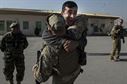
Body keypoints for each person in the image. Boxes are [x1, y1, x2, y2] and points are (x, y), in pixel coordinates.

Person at [42, 1, 87, 84]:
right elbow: (45, 35)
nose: (72, 16)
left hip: (74, 69)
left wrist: (76, 43)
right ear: (62, 13)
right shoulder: (55, 26)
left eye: (75, 13)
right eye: (69, 12)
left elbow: (84, 40)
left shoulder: (78, 27)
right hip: (59, 72)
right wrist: (64, 42)